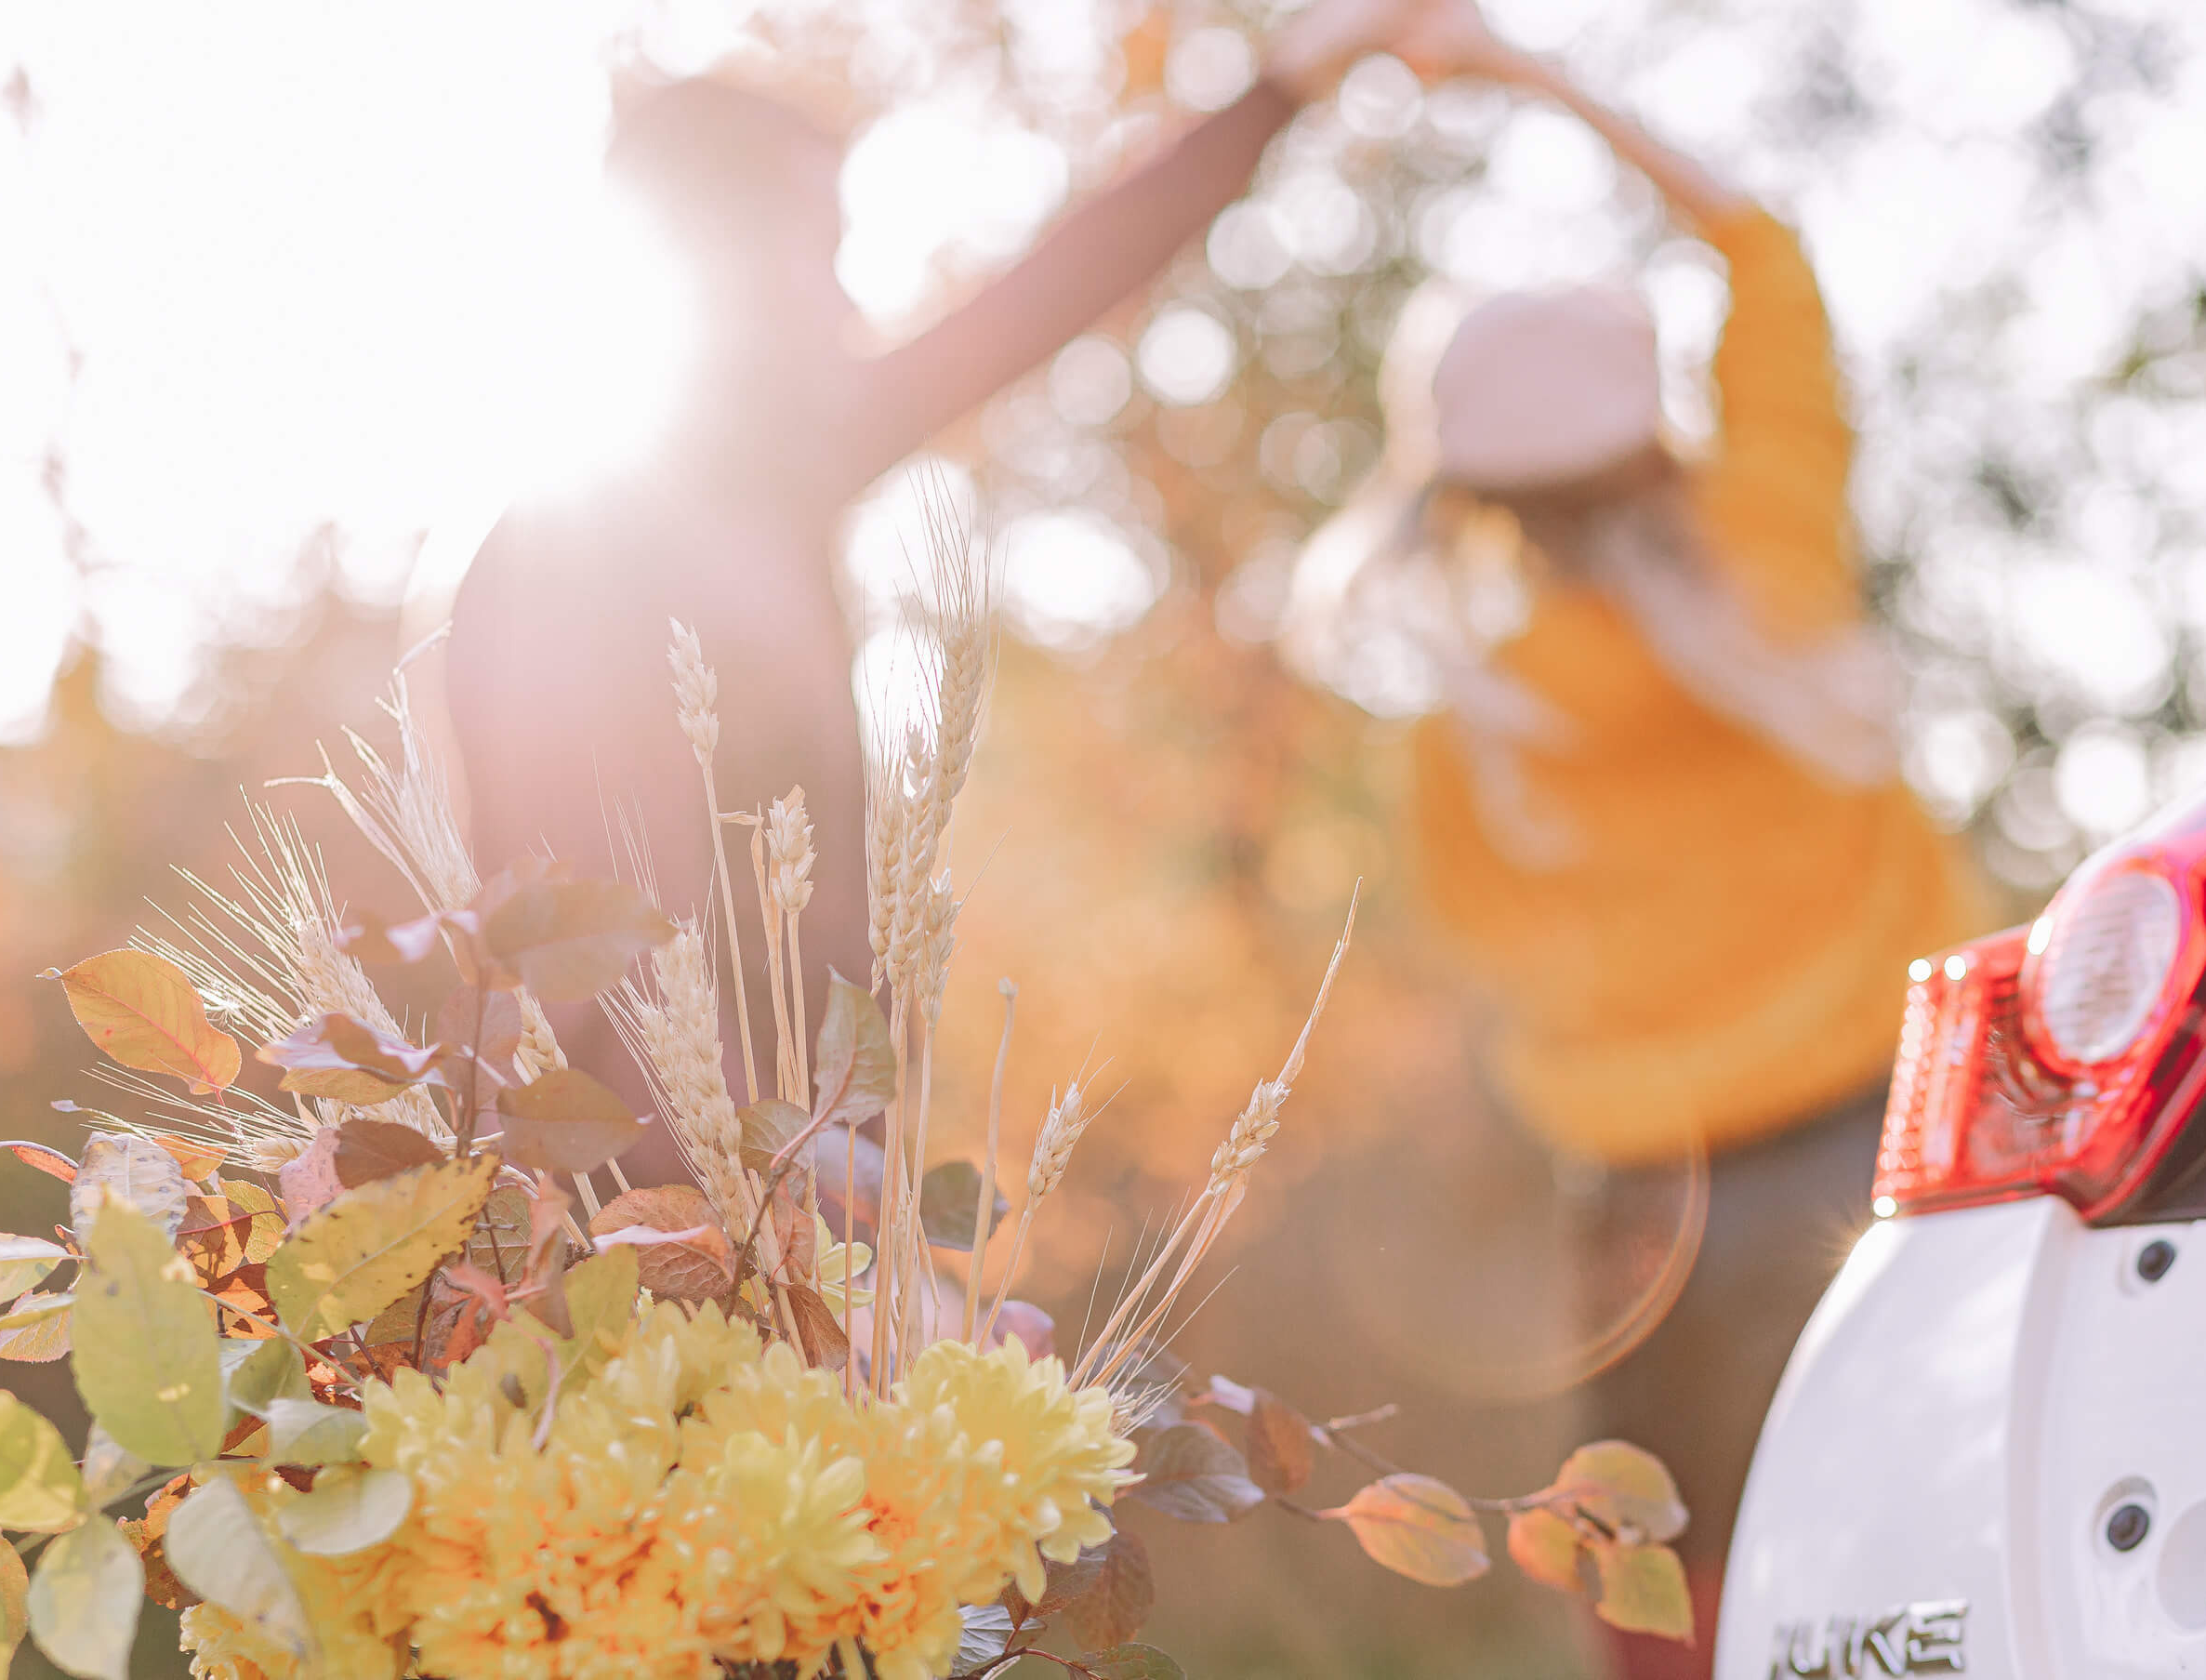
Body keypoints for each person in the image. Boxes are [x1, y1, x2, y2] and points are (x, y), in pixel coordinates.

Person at [408, 0, 1469, 1151]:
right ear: (713, 263)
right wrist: (790, 1186)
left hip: (801, 1187)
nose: (851, 301)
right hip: (684, 1211)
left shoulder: (784, 477)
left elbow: (1046, 295)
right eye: (823, 253)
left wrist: (1291, 78)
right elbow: (599, 972)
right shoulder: (568, 555)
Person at [1288, 25, 1995, 1680]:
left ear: (1460, 495)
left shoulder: (1470, 734)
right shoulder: (1774, 568)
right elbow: (1763, 246)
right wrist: (1522, 69)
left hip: (1652, 1222)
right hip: (1909, 1147)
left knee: (1679, 1602)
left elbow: (1480, 958)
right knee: (1954, 1561)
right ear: (1658, 438)